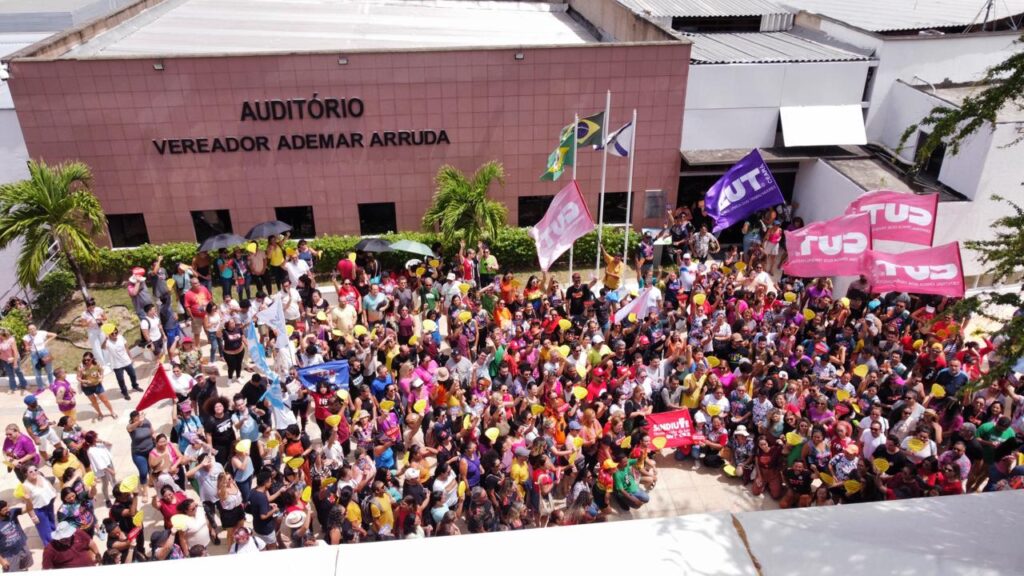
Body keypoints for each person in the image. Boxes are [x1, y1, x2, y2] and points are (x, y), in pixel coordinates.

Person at [101, 325, 141, 400]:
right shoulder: (107, 342)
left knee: (133, 375)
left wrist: (131, 358)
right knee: (121, 380)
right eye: (112, 334)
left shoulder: (121, 337)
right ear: (109, 334)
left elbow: (126, 347)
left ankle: (135, 386)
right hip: (117, 365)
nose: (115, 335)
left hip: (126, 361)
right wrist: (105, 340)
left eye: (116, 332)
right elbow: (102, 347)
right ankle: (124, 392)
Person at [75, 352, 116, 420]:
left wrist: (101, 377)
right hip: (87, 388)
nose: (86, 361)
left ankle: (112, 412)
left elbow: (101, 371)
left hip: (97, 385)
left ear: (92, 358)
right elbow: (78, 377)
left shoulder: (96, 365)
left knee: (105, 400)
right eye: (85, 360)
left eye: (88, 359)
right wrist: (84, 381)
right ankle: (100, 413)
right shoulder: (81, 367)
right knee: (94, 402)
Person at [0, 500, 32, 572]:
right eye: (4, 510)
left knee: (24, 568)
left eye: (7, 507)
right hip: (9, 554)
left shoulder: (12, 513)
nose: (8, 510)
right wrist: (2, 561)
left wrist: (28, 500)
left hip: (22, 547)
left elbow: (28, 508)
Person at [22, 324, 56, 391]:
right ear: (28, 330)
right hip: (34, 354)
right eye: (30, 329)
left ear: (36, 328)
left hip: (44, 352)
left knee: (49, 370)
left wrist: (46, 341)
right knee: (37, 372)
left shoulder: (41, 333)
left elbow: (54, 335)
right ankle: (40, 387)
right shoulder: (26, 337)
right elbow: (26, 348)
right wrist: (28, 347)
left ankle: (52, 384)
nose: (32, 330)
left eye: (33, 328)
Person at [0, 328, 29, 393]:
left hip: (14, 358)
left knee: (18, 372)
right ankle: (13, 387)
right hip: (5, 360)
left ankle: (24, 384)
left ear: (3, 335)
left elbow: (15, 352)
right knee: (10, 374)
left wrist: (15, 363)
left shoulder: (11, 340)